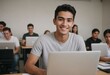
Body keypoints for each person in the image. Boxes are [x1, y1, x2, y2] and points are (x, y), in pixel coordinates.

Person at [25, 4, 86, 75]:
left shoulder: (79, 39)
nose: (64, 24)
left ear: (72, 23)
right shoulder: (42, 39)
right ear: (54, 21)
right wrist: (46, 73)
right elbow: (28, 66)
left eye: (69, 20)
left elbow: (84, 65)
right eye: (60, 19)